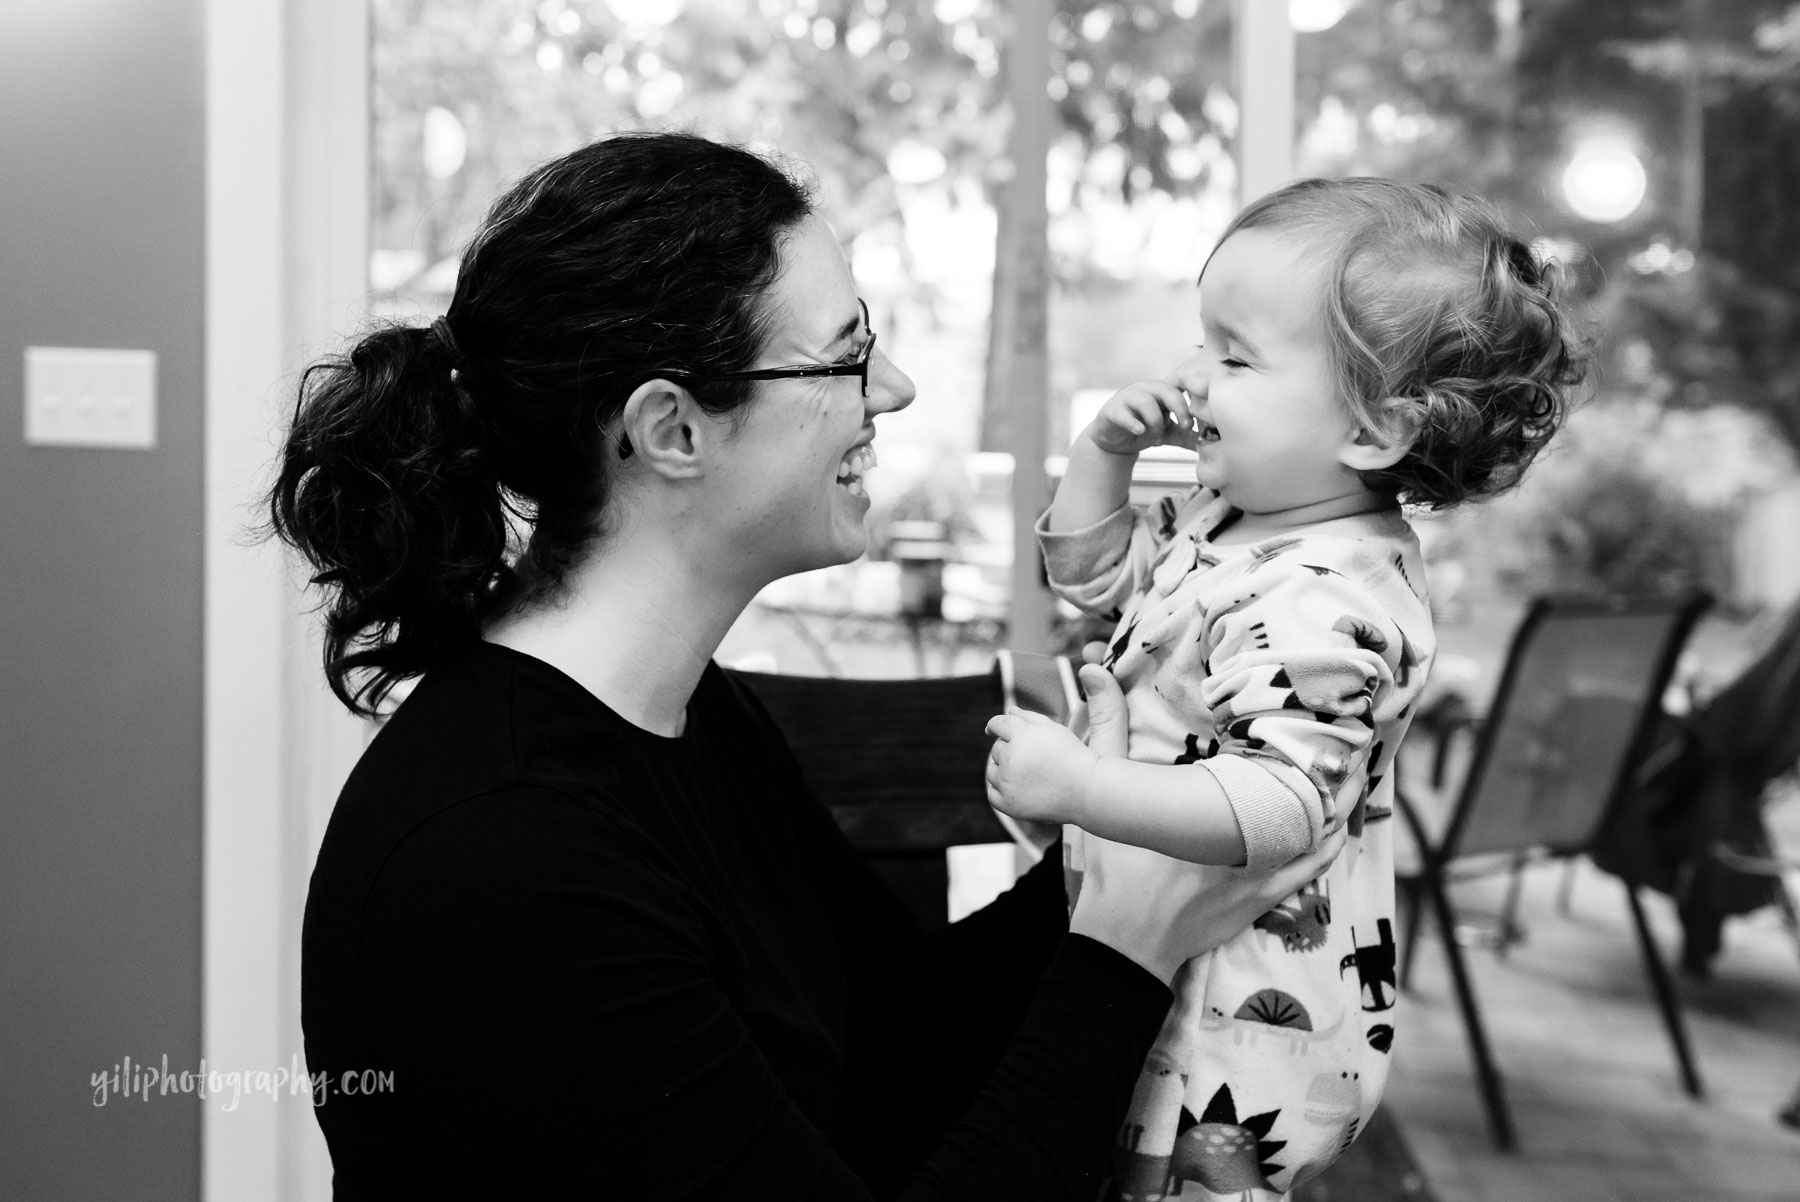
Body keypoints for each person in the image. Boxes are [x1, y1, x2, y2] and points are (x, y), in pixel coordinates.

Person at [268, 131, 1345, 1200]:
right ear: (672, 429)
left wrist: (1111, 844)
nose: (898, 387)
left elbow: (894, 1040)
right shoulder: (504, 858)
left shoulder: (693, 716)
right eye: (846, 354)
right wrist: (1126, 949)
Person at [984, 177, 1588, 1198]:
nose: (1192, 377)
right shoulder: (1239, 520)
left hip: (1235, 1026)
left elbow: (1281, 803)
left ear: (1370, 430)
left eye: (1235, 356)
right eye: (1200, 342)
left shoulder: (1326, 595)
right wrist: (1103, 453)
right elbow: (1089, 574)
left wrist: (1083, 788)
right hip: (1164, 960)